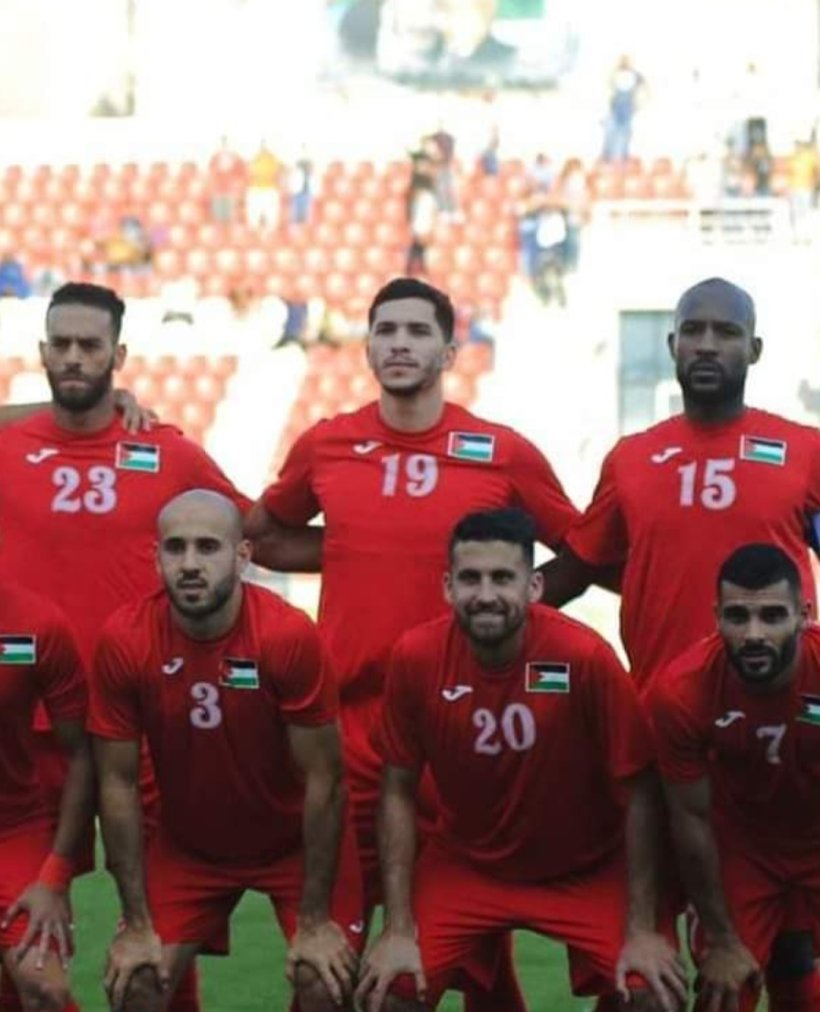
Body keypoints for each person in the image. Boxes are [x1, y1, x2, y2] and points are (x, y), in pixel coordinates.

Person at [247, 277, 581, 1010]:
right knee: (326, 973)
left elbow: (582, 549)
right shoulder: (326, 443)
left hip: (461, 731)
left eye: (418, 331)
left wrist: (512, 609)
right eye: (387, 330)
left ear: (449, 352)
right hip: (351, 734)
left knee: (471, 959)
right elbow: (264, 536)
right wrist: (355, 552)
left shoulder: (502, 452)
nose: (400, 343)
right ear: (367, 347)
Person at [541, 276, 820, 1004]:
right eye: (693, 330)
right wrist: (500, 594)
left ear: (754, 349)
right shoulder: (632, 458)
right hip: (664, 725)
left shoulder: (803, 450)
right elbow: (577, 566)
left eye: (725, 332)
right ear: (671, 345)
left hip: (775, 725)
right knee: (644, 951)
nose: (706, 344)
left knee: (787, 944)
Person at [0, 281, 252, 1012]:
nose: (74, 357)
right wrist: (62, 403)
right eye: (62, 345)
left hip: (147, 727)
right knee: (21, 940)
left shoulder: (167, 453)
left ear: (120, 354)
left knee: (164, 927)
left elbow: (251, 531)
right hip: (29, 730)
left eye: (91, 346)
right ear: (42, 351)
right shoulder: (10, 448)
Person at [356, 508, 683, 1012]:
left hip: (586, 867)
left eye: (502, 578)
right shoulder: (415, 657)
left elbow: (641, 789)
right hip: (467, 865)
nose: (486, 594)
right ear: (448, 587)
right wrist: (398, 928)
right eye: (471, 578)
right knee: (391, 993)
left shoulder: (583, 656)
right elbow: (396, 789)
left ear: (533, 587)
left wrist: (641, 929)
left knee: (652, 993)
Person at [88, 490, 362, 1011]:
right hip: (189, 847)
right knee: (136, 982)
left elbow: (326, 780)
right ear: (156, 557)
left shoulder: (285, 635)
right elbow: (117, 783)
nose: (190, 563)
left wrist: (314, 920)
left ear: (243, 556)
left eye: (208, 547)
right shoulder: (125, 638)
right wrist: (137, 923)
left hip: (292, 845)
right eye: (176, 548)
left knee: (324, 981)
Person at [648, 543, 820, 1011]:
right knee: (724, 990)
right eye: (738, 616)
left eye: (772, 616)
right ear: (716, 617)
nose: (754, 634)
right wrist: (722, 938)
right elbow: (691, 819)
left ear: (804, 616)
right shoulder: (682, 691)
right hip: (742, 850)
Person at [0, 587, 92, 1012]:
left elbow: (82, 755)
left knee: (45, 990)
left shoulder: (37, 624)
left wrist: (54, 877)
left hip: (13, 829)